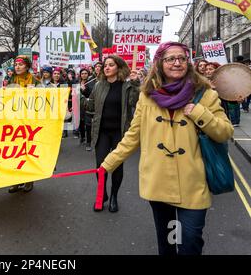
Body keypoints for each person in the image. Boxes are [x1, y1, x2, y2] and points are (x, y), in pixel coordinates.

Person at [98, 42, 233, 255]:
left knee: (190, 242)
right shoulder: (147, 95)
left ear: (188, 62)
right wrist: (107, 164)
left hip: (193, 183)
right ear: (160, 63)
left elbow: (225, 132)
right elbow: (133, 136)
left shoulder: (205, 94)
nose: (177, 63)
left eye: (182, 58)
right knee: (168, 242)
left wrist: (200, 113)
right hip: (158, 181)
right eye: (170, 59)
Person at [84, 55, 140, 213]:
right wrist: (79, 97)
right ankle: (102, 195)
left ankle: (114, 196)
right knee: (100, 166)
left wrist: (135, 84)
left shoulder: (126, 86)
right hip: (101, 132)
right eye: (105, 65)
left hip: (119, 133)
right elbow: (91, 105)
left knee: (116, 166)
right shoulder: (98, 85)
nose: (106, 68)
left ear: (118, 67)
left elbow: (134, 103)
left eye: (110, 65)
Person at [7, 55, 40, 193]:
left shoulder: (35, 81)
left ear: (27, 66)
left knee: (27, 151)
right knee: (13, 151)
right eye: (15, 64)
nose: (17, 67)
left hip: (29, 121)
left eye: (20, 64)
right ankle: (15, 180)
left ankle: (28, 179)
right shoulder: (11, 80)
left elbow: (43, 99)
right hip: (13, 120)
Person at [79, 68, 95, 151]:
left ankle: (88, 142)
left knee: (88, 124)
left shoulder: (91, 83)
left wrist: (84, 90)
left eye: (85, 73)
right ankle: (82, 136)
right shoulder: (77, 83)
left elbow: (90, 94)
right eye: (82, 73)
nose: (84, 75)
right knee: (80, 122)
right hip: (79, 106)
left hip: (87, 106)